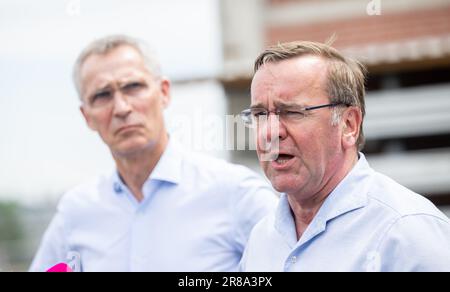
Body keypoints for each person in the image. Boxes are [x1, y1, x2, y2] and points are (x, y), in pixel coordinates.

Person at [30, 35, 277, 272]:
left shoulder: (237, 193)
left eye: (133, 86)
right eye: (102, 95)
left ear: (164, 93)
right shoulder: (76, 212)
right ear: (86, 116)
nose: (122, 108)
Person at [239, 41, 450, 272]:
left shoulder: (406, 231)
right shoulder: (262, 238)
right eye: (260, 114)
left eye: (291, 112)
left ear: (348, 125)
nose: (270, 132)